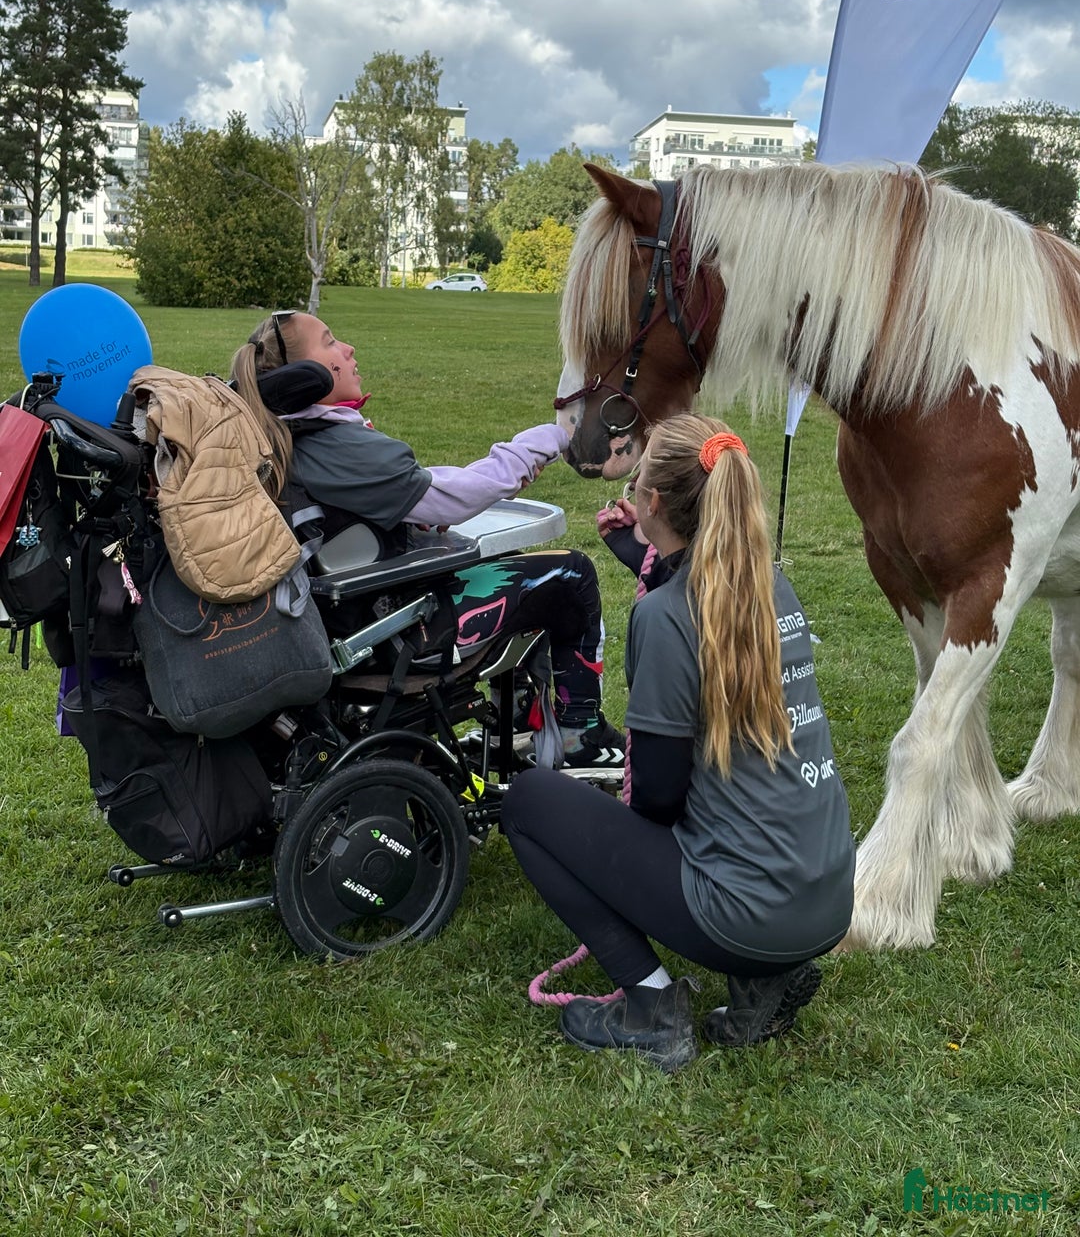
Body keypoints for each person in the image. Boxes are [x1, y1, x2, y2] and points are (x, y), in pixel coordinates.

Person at [501, 414, 855, 1073]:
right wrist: (650, 561)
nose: (630, 496)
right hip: (828, 900)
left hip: (746, 913)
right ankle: (764, 981)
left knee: (528, 800)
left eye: (635, 486)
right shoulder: (771, 586)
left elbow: (658, 796)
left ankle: (653, 1009)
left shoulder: (665, 617)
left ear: (654, 503)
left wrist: (610, 855)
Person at [230, 308, 622, 764]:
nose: (348, 349)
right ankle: (579, 735)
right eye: (330, 341)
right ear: (303, 375)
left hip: (353, 622)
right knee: (569, 573)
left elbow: (408, 492)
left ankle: (519, 722)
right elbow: (454, 498)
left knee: (513, 564)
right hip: (395, 634)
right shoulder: (334, 445)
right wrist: (546, 441)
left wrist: (413, 514)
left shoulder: (290, 438)